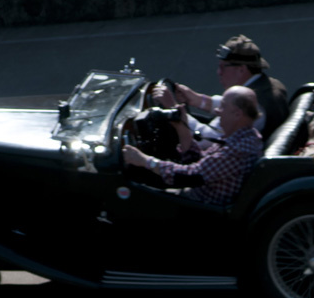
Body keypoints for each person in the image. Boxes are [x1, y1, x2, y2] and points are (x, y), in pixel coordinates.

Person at [120, 86, 263, 206]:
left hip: (199, 210)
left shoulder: (239, 150)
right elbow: (200, 162)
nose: (218, 111)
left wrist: (144, 160)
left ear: (237, 114)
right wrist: (182, 129)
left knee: (133, 197)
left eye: (223, 107)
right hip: (195, 197)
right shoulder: (244, 137)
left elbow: (190, 175)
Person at [163, 34, 289, 140]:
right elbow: (233, 104)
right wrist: (197, 100)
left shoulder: (255, 104)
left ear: (241, 70)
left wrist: (174, 110)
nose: (219, 72)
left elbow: (208, 139)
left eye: (224, 67)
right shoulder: (268, 85)